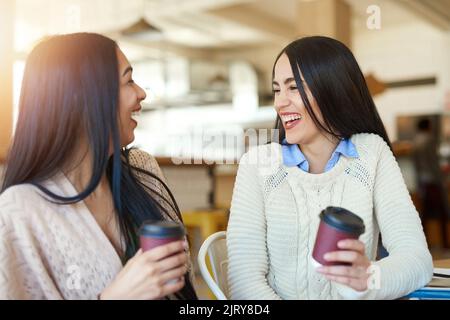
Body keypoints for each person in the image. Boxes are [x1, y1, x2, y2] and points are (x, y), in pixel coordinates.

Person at [227, 36, 433, 300]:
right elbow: (244, 280)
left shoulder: (371, 153)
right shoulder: (257, 166)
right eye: (277, 89)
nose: (280, 102)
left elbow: (417, 260)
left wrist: (367, 278)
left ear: (331, 89)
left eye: (294, 88)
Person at [0, 33, 198, 300]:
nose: (141, 93)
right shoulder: (19, 211)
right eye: (128, 81)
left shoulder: (143, 172)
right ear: (82, 98)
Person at [413, 118, 449, 248]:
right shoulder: (429, 140)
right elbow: (434, 163)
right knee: (442, 213)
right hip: (433, 181)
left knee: (425, 216)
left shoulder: (416, 141)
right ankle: (445, 244)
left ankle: (424, 243)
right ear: (428, 127)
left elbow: (416, 166)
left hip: (423, 182)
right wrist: (442, 179)